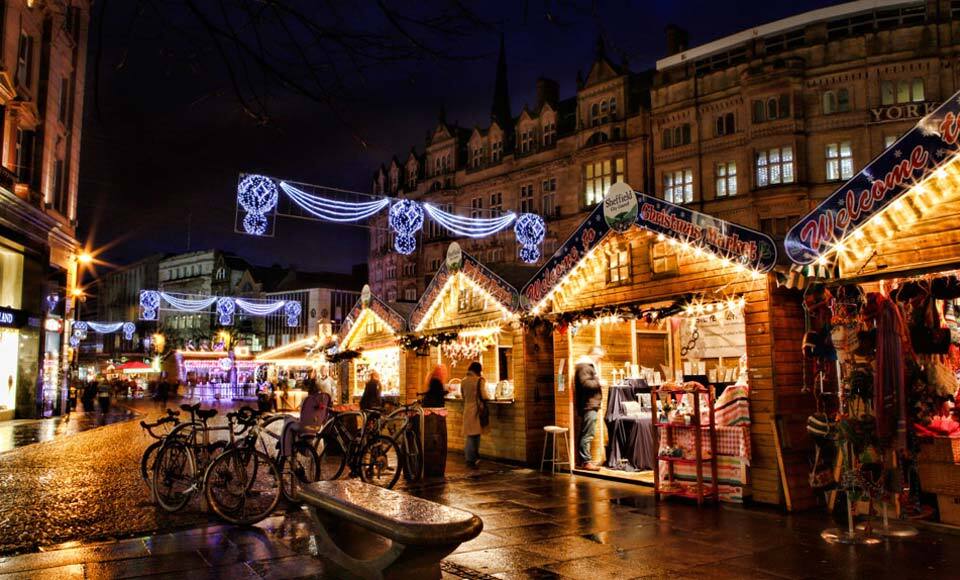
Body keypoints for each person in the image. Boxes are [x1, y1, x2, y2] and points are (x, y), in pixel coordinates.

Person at [575, 346, 605, 471]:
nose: (600, 360)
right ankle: (586, 461)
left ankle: (583, 460)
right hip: (589, 404)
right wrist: (599, 382)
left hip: (590, 403)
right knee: (588, 434)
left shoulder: (586, 366)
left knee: (586, 433)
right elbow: (585, 384)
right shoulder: (585, 367)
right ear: (593, 354)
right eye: (599, 357)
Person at [461, 361, 487, 468]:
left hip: (467, 408)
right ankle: (472, 458)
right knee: (475, 435)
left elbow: (463, 395)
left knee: (470, 435)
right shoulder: (479, 380)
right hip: (477, 409)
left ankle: (471, 458)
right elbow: (484, 396)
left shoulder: (463, 381)